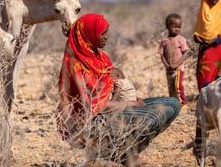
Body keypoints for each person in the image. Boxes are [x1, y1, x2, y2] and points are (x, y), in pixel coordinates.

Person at [57, 13, 181, 166]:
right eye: (102, 33)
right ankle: (120, 153)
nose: (106, 37)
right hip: (94, 122)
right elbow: (95, 107)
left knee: (173, 104)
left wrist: (131, 99)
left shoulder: (99, 57)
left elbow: (114, 87)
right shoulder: (75, 65)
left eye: (106, 32)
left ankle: (125, 152)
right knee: (153, 117)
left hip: (114, 107)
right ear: (88, 34)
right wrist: (131, 104)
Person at [194, 0, 221, 90]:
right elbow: (198, 30)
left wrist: (214, 41)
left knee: (217, 77)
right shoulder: (202, 10)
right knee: (203, 76)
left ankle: (216, 103)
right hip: (204, 48)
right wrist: (197, 37)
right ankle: (204, 101)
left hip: (217, 48)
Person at [158, 13, 189, 107]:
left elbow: (186, 53)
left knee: (178, 87)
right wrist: (167, 66)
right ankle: (173, 105)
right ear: (167, 26)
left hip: (179, 68)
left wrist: (177, 64)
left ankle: (183, 104)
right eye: (174, 26)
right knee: (171, 88)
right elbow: (162, 55)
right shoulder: (164, 41)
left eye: (179, 27)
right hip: (169, 69)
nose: (177, 29)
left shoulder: (181, 39)